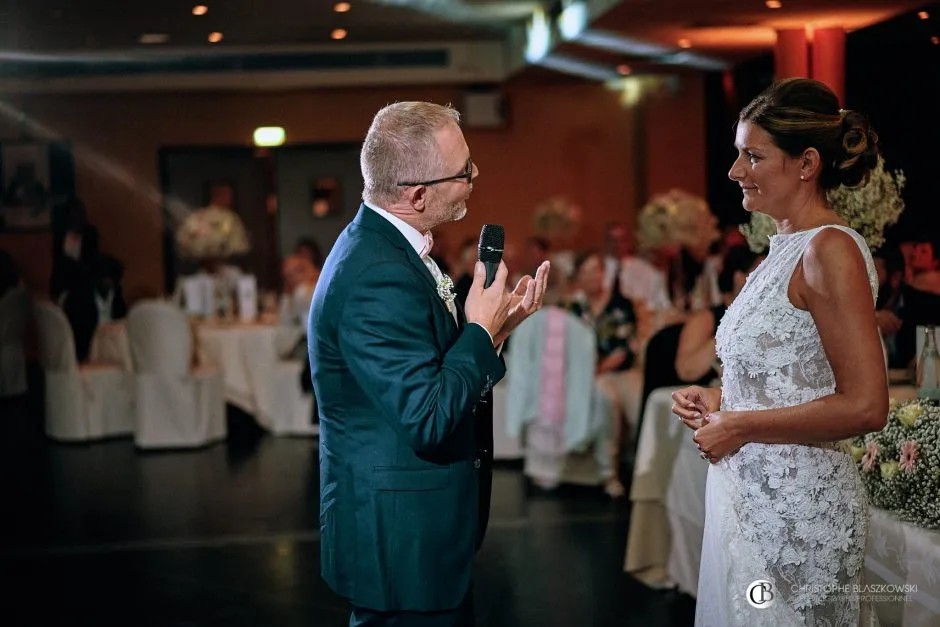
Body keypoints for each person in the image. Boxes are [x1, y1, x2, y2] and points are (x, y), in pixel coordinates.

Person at [309, 101, 550, 627]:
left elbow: (430, 368)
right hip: (401, 537)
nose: (475, 177)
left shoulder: (390, 248)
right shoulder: (376, 274)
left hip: (413, 530)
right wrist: (479, 331)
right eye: (464, 170)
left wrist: (496, 331)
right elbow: (428, 416)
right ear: (417, 194)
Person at [672, 78, 887, 626]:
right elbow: (788, 377)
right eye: (738, 155)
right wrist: (720, 399)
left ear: (807, 162)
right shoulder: (780, 251)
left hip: (800, 515)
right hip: (751, 498)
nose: (735, 171)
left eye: (753, 156)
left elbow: (866, 406)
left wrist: (739, 425)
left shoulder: (830, 249)